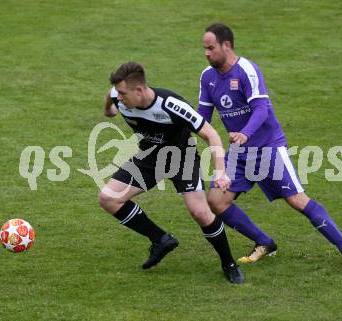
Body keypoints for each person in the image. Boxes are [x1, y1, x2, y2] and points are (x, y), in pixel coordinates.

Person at [197, 23, 342, 272]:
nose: (207, 53)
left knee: (297, 200)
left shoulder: (247, 71)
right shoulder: (207, 77)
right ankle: (264, 242)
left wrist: (245, 133)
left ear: (226, 45)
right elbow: (203, 116)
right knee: (216, 201)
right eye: (205, 49)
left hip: (268, 148)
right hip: (240, 154)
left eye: (211, 48)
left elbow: (262, 109)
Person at [99, 61, 245, 283]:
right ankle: (160, 240)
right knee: (108, 198)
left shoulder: (171, 105)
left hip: (181, 159)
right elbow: (110, 96)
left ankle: (229, 262)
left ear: (139, 90)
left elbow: (211, 134)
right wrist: (108, 109)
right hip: (149, 158)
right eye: (118, 93)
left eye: (122, 93)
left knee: (200, 212)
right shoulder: (121, 98)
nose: (119, 97)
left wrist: (220, 172)